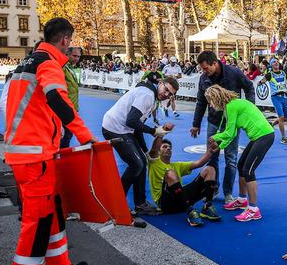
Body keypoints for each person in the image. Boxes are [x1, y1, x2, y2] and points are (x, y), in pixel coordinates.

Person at [1, 18, 98, 265]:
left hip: (31, 152)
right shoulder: (49, 64)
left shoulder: (27, 62)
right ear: (66, 40)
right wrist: (84, 136)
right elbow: (58, 99)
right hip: (35, 156)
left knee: (53, 213)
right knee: (37, 225)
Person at [102, 74, 179, 215]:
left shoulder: (152, 96)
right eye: (166, 90)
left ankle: (140, 204)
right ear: (160, 83)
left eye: (170, 94)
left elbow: (137, 126)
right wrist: (153, 131)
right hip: (114, 128)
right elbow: (131, 121)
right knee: (136, 165)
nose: (166, 94)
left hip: (124, 129)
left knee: (142, 161)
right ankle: (115, 203)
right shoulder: (147, 96)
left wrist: (145, 151)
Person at [191, 51, 255, 207]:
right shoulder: (204, 78)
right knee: (211, 156)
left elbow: (249, 87)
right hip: (213, 122)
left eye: (206, 68)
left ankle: (228, 193)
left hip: (231, 123)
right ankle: (213, 188)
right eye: (202, 69)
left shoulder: (233, 72)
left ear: (215, 63)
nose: (204, 71)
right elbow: (201, 101)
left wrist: (249, 109)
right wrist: (196, 123)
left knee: (231, 158)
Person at [205, 85, 274, 222]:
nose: (210, 105)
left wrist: (215, 138)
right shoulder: (231, 105)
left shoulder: (231, 106)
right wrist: (220, 147)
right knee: (241, 165)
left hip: (264, 136)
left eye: (210, 101)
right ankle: (242, 200)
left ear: (215, 98)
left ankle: (254, 209)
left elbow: (229, 133)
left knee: (248, 171)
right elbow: (233, 133)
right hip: (258, 137)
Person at [147, 131, 221, 227]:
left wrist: (210, 151)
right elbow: (153, 151)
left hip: (181, 199)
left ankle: (207, 205)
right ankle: (190, 211)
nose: (168, 148)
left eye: (170, 147)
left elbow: (199, 163)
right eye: (164, 147)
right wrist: (161, 133)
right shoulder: (153, 164)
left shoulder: (177, 165)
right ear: (159, 151)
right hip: (166, 204)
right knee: (170, 173)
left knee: (210, 169)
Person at [260, 58, 287, 144]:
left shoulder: (283, 73)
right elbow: (261, 82)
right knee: (281, 117)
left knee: (285, 117)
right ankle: (283, 138)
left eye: (277, 62)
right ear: (271, 65)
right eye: (274, 62)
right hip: (276, 97)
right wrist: (262, 81)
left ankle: (271, 124)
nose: (276, 63)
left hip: (284, 97)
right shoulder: (270, 74)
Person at [60, 46, 82, 148]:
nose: (77, 58)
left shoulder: (71, 68)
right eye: (74, 56)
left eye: (78, 56)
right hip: (65, 108)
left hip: (72, 108)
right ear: (67, 54)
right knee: (65, 136)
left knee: (68, 135)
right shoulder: (63, 67)